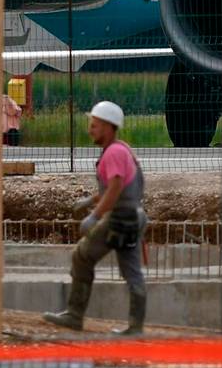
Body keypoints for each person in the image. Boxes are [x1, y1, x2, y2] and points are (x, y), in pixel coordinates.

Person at [40, 99, 147, 335]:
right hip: (132, 216)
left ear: (109, 127)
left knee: (82, 256)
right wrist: (91, 200)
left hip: (119, 218)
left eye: (95, 125)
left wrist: (94, 216)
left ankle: (74, 315)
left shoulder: (114, 153)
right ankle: (136, 327)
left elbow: (116, 186)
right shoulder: (121, 149)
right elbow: (115, 188)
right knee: (133, 272)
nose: (90, 129)